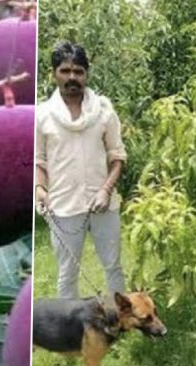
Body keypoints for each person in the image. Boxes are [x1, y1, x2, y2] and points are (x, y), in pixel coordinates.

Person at [35, 41, 127, 299]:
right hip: (63, 206)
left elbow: (117, 156)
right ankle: (69, 329)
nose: (72, 77)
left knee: (113, 266)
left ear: (86, 74)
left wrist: (106, 190)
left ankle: (122, 319)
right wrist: (40, 189)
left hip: (103, 204)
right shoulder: (42, 115)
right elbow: (38, 160)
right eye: (65, 71)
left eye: (78, 71)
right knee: (67, 273)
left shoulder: (104, 111)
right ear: (54, 73)